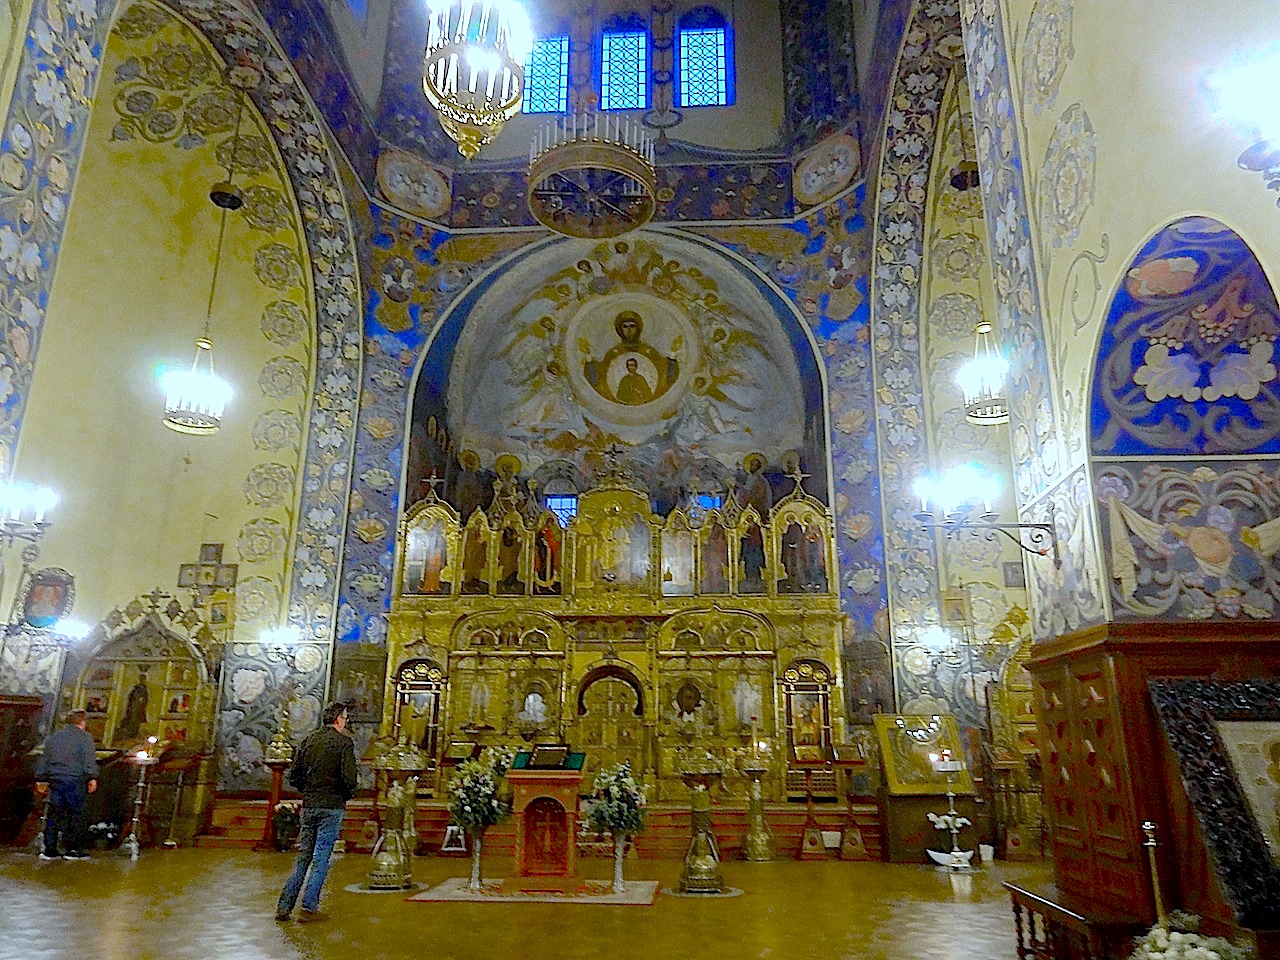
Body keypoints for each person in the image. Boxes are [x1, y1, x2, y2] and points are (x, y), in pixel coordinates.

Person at [276, 701, 358, 923]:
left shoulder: (309, 740)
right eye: (345, 717)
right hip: (331, 806)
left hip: (310, 804)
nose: (347, 721)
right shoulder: (344, 743)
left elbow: (294, 776)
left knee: (303, 857)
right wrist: (342, 795)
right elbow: (350, 779)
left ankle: (284, 906)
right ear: (338, 718)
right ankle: (309, 907)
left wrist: (309, 791)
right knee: (321, 858)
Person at [34, 709, 99, 861]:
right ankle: (73, 850)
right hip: (76, 780)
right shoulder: (85, 738)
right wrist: (92, 777)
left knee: (54, 814)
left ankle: (50, 849)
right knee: (76, 815)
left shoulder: (54, 737)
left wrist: (41, 778)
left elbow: (45, 758)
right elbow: (88, 760)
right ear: (82, 722)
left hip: (55, 779)